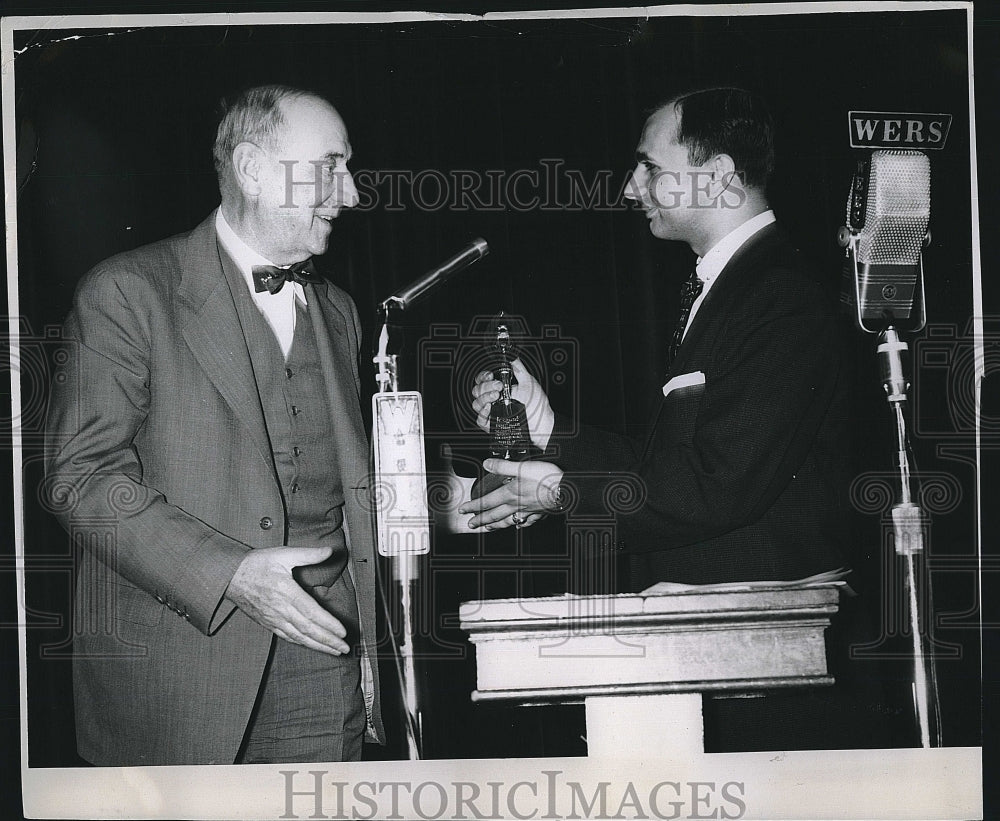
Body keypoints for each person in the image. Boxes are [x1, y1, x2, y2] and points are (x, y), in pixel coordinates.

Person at [463, 88, 889, 750]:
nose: (632, 187)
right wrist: (550, 432)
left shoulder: (782, 298)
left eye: (650, 168)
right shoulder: (725, 288)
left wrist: (559, 492)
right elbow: (673, 466)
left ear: (719, 176)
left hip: (765, 664)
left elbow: (716, 486)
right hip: (722, 650)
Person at [44, 84, 384, 765]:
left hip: (325, 664)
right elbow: (81, 480)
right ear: (255, 169)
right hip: (178, 680)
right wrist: (229, 574)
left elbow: (349, 484)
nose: (349, 194)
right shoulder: (127, 293)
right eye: (332, 166)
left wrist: (443, 500)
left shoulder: (341, 312)